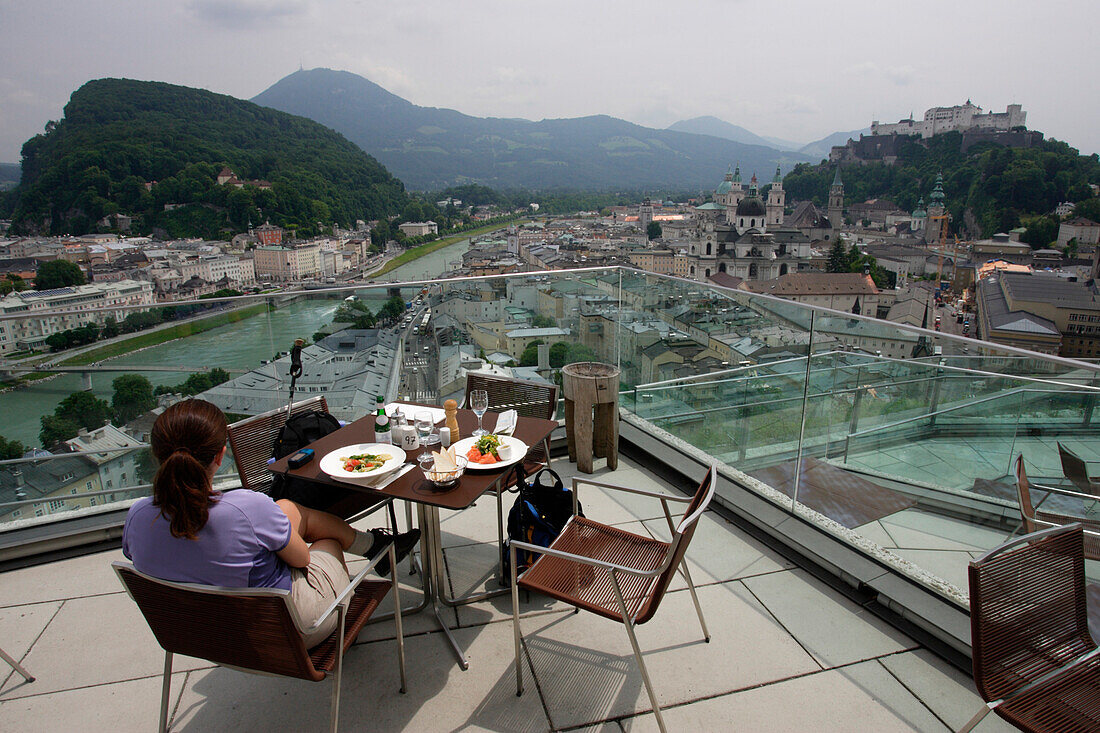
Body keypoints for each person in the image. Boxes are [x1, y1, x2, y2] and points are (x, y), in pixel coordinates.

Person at [122, 399, 419, 648]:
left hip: (200, 636)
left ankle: (378, 546)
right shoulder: (245, 508)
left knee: (286, 508)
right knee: (323, 541)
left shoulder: (136, 517)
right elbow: (302, 559)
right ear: (221, 454)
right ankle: (375, 550)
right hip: (281, 634)